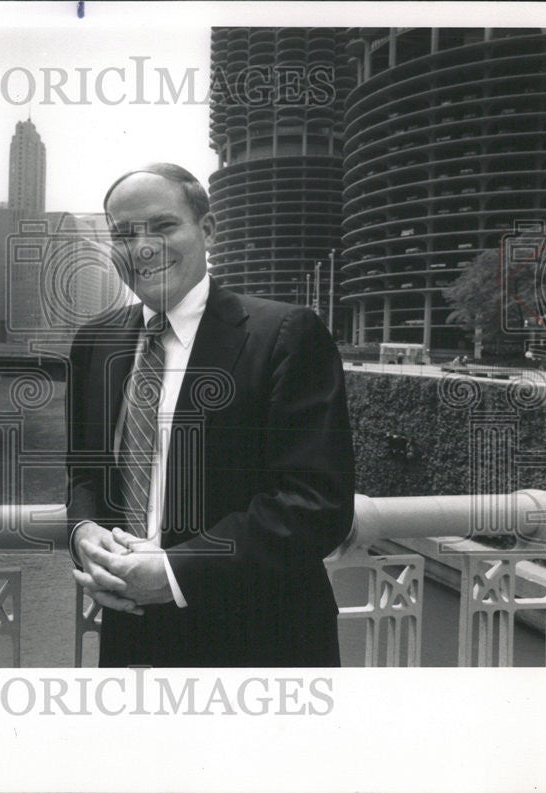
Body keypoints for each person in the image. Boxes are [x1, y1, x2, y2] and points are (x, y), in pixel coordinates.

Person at [66, 163, 355, 667]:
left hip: (258, 639)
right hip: (131, 633)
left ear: (208, 230)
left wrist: (175, 574)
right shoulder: (96, 342)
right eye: (124, 234)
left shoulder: (286, 335)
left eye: (162, 226)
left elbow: (316, 503)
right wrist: (83, 531)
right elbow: (84, 472)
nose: (143, 248)